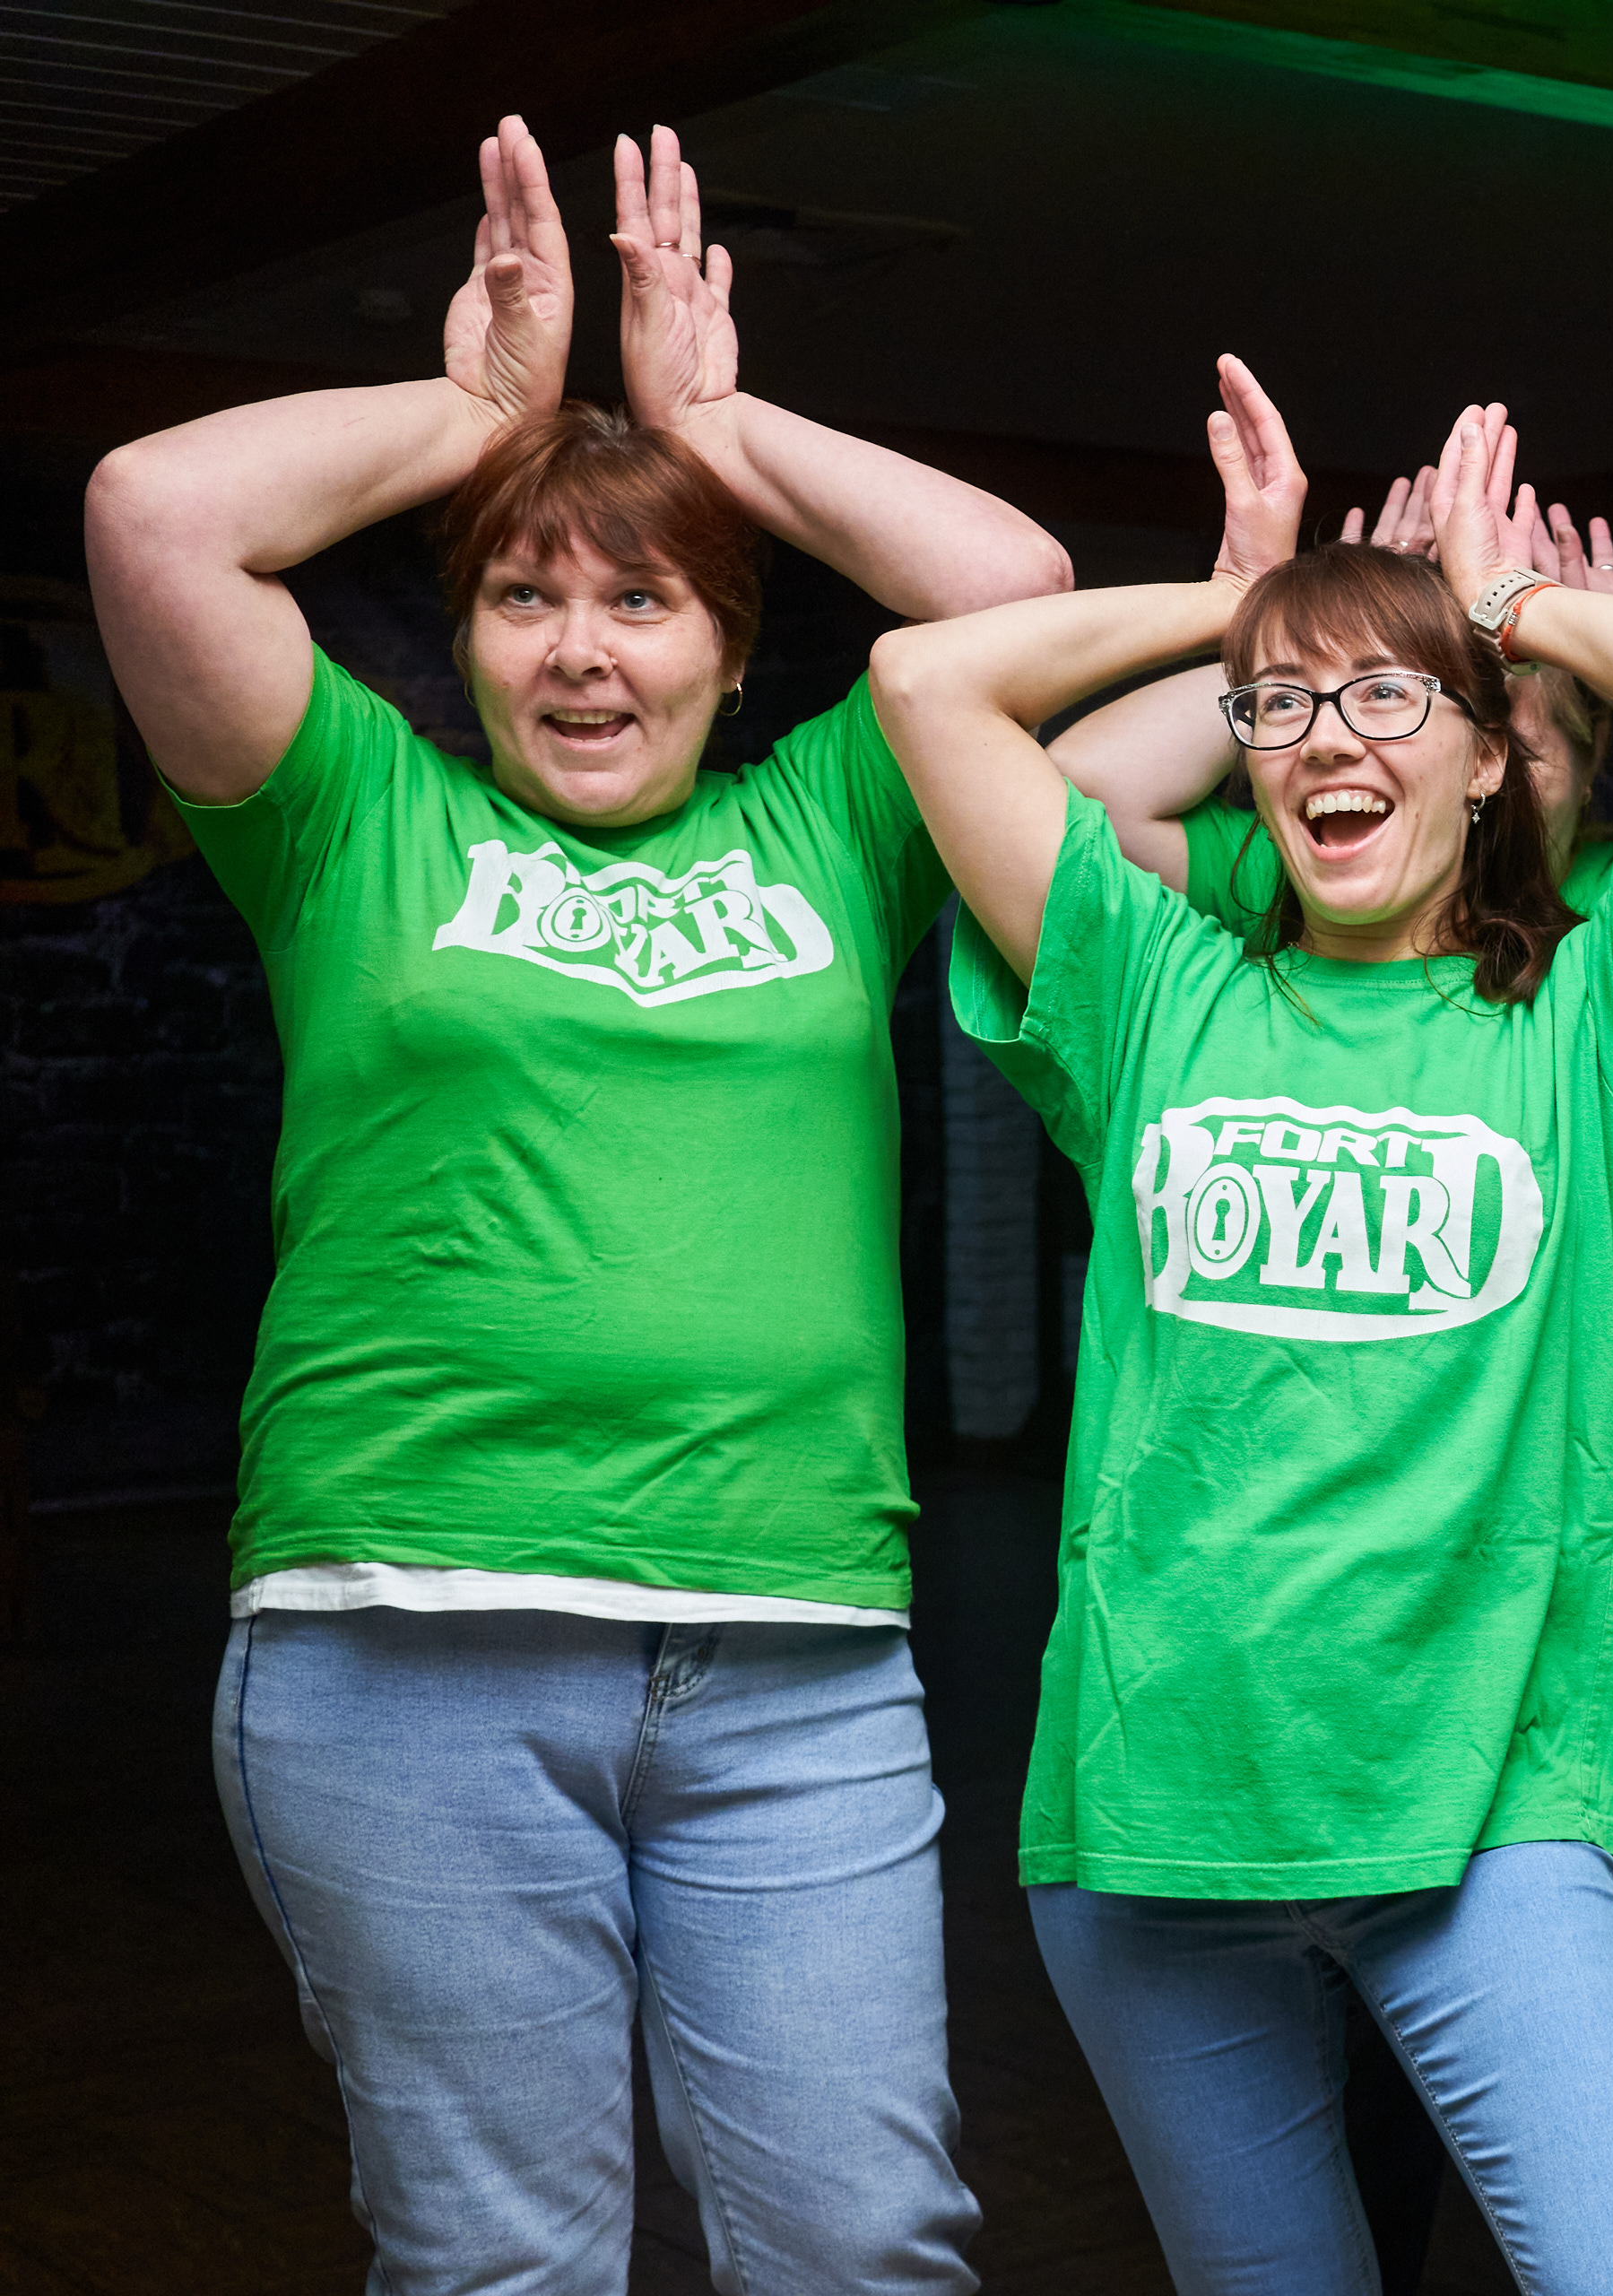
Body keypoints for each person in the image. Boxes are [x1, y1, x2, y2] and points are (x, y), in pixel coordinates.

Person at [82, 119, 1071, 2291]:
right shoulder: (355, 815)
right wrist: (475, 413)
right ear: (465, 641)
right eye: (524, 596)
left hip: (795, 1655)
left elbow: (1015, 596)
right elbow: (153, 510)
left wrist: (719, 426)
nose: (582, 650)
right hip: (403, 1644)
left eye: (643, 596)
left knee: (867, 2240)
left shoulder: (841, 821)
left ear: (732, 644)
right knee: (504, 2262)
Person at [869, 384, 1613, 2293]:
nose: (1328, 740)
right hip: (1158, 1808)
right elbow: (923, 682)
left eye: (1391, 701)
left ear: (1492, 763)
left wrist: (1502, 602)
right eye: (1282, 712)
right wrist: (1248, 606)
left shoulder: (1594, 1027)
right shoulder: (1151, 990)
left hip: (1490, 1814)